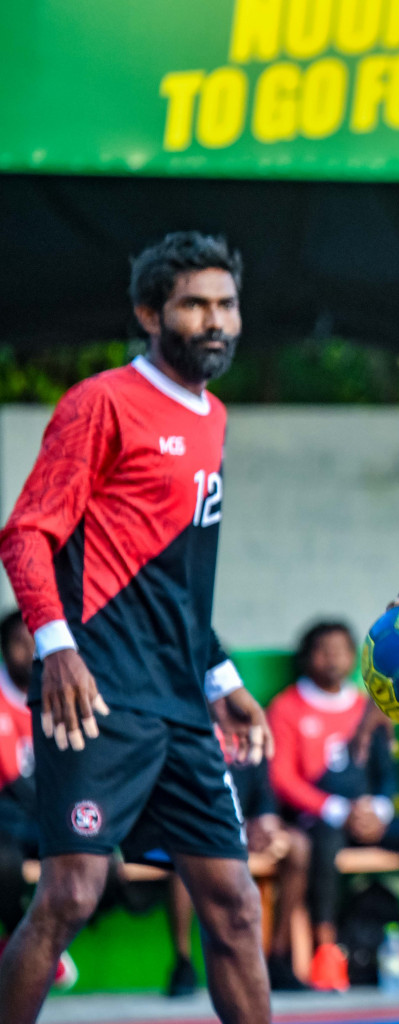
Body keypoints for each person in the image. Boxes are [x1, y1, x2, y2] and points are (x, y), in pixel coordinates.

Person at [0, 232, 273, 1024]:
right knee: (68, 896)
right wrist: (57, 647)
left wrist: (221, 681)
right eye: (194, 304)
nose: (215, 320)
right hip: (99, 698)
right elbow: (26, 535)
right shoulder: (101, 401)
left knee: (234, 906)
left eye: (226, 304)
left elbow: (178, 583)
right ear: (151, 312)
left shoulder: (215, 417)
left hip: (183, 707)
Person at [266, 620, 399, 992]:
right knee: (322, 845)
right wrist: (334, 809)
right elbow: (282, 777)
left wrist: (379, 809)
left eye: (342, 650)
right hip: (323, 819)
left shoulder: (370, 707)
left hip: (370, 820)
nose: (333, 659)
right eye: (323, 650)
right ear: (307, 658)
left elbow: (386, 773)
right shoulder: (286, 708)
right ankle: (326, 952)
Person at [167, 752, 310, 996]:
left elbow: (264, 796)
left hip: (243, 833)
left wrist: (265, 823)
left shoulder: (247, 734)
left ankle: (277, 958)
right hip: (198, 832)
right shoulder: (194, 731)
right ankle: (183, 963)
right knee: (183, 853)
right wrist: (236, 831)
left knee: (298, 846)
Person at [0, 610, 76, 990]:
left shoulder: (55, 689)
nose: (28, 652)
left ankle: (40, 945)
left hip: (42, 814)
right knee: (5, 864)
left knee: (91, 859)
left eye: (34, 643)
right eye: (19, 643)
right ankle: (19, 941)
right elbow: (14, 776)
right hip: (7, 816)